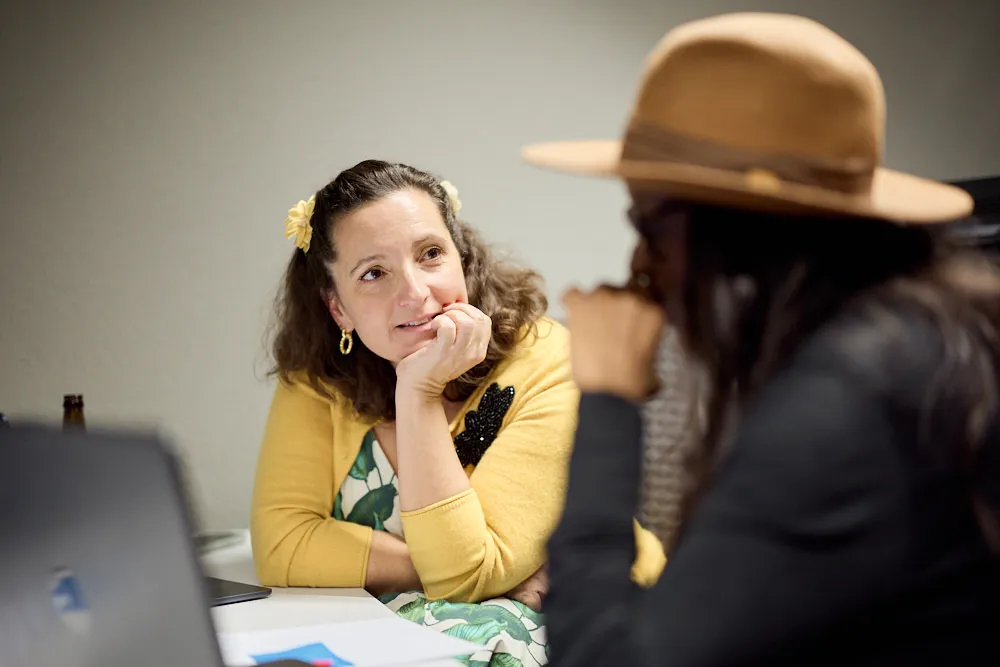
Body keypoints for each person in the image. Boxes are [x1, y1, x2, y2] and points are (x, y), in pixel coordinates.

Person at [522, 12, 1000, 667]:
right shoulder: (914, 338)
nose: (638, 263)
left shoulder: (846, 405)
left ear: (738, 230)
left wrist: (606, 399)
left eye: (650, 225)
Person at [251, 160, 666, 667]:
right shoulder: (317, 378)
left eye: (430, 254)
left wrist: (419, 392)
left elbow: (465, 574)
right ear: (338, 308)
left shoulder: (548, 361)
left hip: (565, 626)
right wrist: (478, 572)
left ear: (461, 258)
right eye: (374, 273)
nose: (415, 292)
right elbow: (283, 546)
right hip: (387, 628)